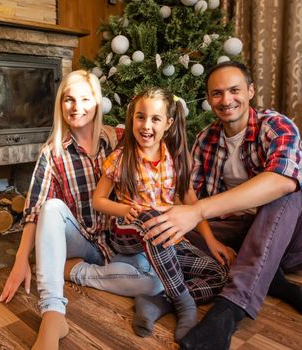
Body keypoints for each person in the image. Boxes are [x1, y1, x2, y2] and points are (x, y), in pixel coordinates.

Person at [142, 61, 302, 350]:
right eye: (217, 93)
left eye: (234, 90)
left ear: (251, 91)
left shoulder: (277, 126)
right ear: (209, 100)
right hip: (238, 235)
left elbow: (283, 181)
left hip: (291, 244)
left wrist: (198, 211)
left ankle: (228, 311)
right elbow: (190, 196)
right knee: (169, 227)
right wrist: (188, 218)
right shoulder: (206, 138)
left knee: (284, 188)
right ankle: (270, 280)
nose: (226, 100)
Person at [0, 70, 164, 350]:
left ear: (97, 103)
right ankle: (52, 315)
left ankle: (72, 271)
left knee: (155, 283)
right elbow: (34, 210)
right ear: (60, 105)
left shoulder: (120, 138)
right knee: (51, 207)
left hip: (119, 243)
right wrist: (20, 260)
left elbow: (158, 155)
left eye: (85, 100)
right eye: (69, 100)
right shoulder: (52, 153)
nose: (77, 108)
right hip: (82, 240)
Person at [92, 87, 234, 342]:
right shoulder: (120, 159)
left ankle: (157, 303)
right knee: (151, 219)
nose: (146, 125)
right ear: (132, 118)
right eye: (140, 117)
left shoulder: (178, 160)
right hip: (128, 235)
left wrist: (210, 240)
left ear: (168, 124)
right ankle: (184, 305)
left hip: (168, 238)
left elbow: (191, 202)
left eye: (155, 119)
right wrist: (125, 209)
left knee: (218, 274)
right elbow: (98, 200)